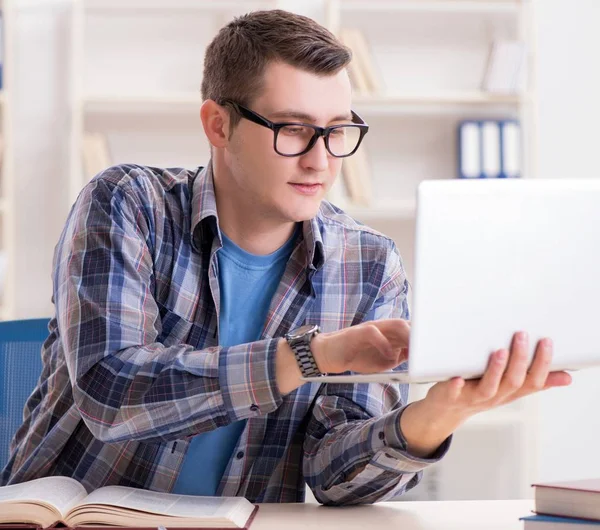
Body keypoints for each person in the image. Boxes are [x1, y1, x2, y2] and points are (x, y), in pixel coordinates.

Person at [1, 10, 571, 505]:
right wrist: (310, 356)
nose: (321, 161)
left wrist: (440, 413)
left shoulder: (368, 265)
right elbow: (112, 393)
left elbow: (335, 478)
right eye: (294, 130)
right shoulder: (128, 204)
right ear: (217, 124)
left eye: (339, 131)